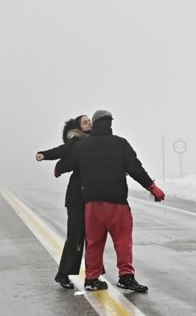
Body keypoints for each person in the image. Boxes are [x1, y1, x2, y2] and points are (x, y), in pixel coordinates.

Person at [55, 109, 165, 293]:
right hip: (117, 203)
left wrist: (58, 170)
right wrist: (152, 187)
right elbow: (136, 169)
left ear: (95, 124)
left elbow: (62, 166)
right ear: (110, 124)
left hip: (92, 205)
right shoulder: (120, 144)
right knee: (122, 241)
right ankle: (126, 277)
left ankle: (92, 279)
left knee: (94, 242)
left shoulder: (83, 146)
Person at [35, 114, 92, 289]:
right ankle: (63, 274)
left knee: (93, 239)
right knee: (75, 238)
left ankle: (93, 276)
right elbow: (60, 151)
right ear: (78, 128)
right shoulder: (75, 141)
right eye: (85, 122)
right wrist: (44, 154)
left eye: (90, 120)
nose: (89, 123)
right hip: (76, 198)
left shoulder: (97, 140)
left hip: (92, 197)